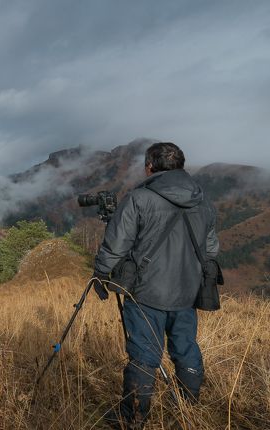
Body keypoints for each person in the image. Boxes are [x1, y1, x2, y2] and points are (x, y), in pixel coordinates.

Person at [92, 142, 219, 429]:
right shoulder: (203, 200)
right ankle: (189, 409)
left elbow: (115, 245)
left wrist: (101, 274)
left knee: (143, 354)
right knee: (186, 347)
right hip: (187, 292)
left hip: (146, 293)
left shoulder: (139, 198)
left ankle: (133, 419)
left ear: (150, 166)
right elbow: (210, 250)